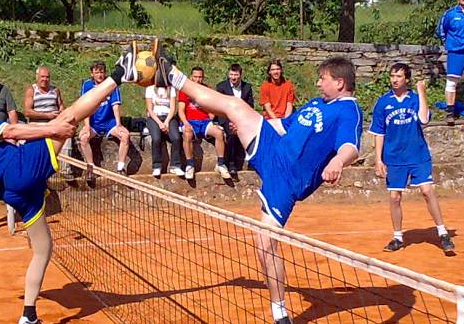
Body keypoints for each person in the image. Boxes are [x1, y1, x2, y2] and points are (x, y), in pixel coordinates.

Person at [0, 43, 140, 324]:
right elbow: (11, 129)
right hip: (19, 170)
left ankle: (28, 315)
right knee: (68, 116)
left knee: (43, 249)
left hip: (11, 193)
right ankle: (119, 74)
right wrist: (53, 128)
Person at [153, 52, 363, 324]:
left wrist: (338, 160)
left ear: (340, 82)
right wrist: (245, 123)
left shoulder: (348, 110)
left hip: (286, 179)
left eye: (323, 79)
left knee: (264, 243)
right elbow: (283, 125)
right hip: (272, 145)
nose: (319, 83)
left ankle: (279, 311)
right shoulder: (316, 103)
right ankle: (172, 75)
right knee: (234, 105)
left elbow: (351, 146)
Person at [368, 63, 455, 254]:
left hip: (418, 155)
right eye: (392, 76)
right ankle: (398, 237)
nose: (394, 79)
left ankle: (442, 233)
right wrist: (378, 160)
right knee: (394, 197)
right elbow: (378, 133)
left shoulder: (415, 99)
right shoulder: (383, 102)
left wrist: (422, 92)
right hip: (394, 157)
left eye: (398, 76)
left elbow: (424, 120)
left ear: (407, 79)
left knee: (426, 191)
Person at [78, 60, 130, 177]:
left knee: (125, 136)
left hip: (109, 122)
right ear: (92, 74)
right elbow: (85, 107)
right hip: (94, 123)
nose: (99, 75)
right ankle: (91, 167)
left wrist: (118, 124)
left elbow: (115, 105)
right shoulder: (87, 85)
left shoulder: (111, 84)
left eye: (101, 72)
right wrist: (86, 126)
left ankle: (121, 167)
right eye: (96, 72)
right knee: (83, 138)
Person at [178, 67, 230, 180]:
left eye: (200, 77)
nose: (197, 79)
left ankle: (221, 164)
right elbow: (181, 110)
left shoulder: (208, 89)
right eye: (195, 77)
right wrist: (185, 123)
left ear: (203, 77)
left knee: (219, 132)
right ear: (191, 77)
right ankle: (190, 165)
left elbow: (212, 111)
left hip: (205, 121)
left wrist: (209, 116)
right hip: (190, 121)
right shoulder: (184, 90)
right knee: (187, 134)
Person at [23, 66, 72, 177]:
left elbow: (61, 106)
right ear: (37, 77)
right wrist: (47, 115)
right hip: (37, 123)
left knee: (67, 136)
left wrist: (61, 112)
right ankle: (35, 170)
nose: (45, 79)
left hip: (54, 122)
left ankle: (65, 170)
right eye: (42, 77)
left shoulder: (55, 90)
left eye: (47, 77)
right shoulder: (31, 90)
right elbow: (27, 112)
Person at [215, 63, 254, 177]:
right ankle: (231, 164)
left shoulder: (247, 87)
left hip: (243, 118)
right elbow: (218, 105)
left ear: (240, 75)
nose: (233, 77)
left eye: (235, 75)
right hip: (226, 117)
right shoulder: (221, 86)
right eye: (231, 74)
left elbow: (250, 105)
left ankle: (252, 162)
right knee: (232, 133)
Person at [145, 83, 184, 177]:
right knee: (156, 139)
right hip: (154, 118)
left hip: (168, 117)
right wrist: (159, 123)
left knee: (176, 138)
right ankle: (157, 166)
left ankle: (175, 165)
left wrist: (166, 122)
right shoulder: (149, 89)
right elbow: (150, 109)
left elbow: (173, 108)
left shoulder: (171, 89)